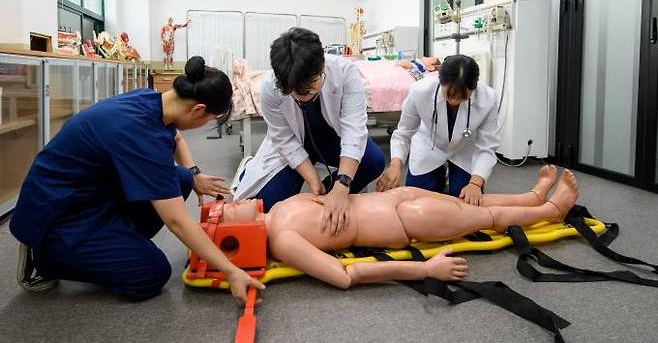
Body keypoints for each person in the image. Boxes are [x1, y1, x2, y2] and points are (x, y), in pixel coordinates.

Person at [10, 56, 264, 302]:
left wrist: (194, 175)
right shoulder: (142, 136)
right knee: (151, 274)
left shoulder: (153, 100)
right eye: (208, 119)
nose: (206, 122)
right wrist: (231, 272)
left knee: (182, 179)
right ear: (198, 109)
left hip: (89, 195)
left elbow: (175, 137)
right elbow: (176, 220)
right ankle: (45, 259)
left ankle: (115, 245)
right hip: (58, 216)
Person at [224, 166, 577, 288]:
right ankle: (551, 211)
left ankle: (531, 197)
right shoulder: (284, 240)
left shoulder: (279, 207)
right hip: (404, 221)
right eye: (224, 214)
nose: (227, 204)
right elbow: (346, 275)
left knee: (466, 201)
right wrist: (426, 268)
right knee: (486, 220)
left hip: (398, 197)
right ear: (236, 236)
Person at [235, 27, 386, 235]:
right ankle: (249, 170)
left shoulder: (345, 73)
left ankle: (327, 196)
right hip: (295, 144)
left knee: (374, 161)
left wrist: (341, 186)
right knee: (265, 207)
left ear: (322, 65)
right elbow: (284, 139)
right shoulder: (270, 88)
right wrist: (312, 179)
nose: (304, 96)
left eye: (310, 86)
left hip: (334, 139)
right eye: (296, 91)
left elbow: (354, 131)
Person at [378, 54, 499, 206]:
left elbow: (487, 146)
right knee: (416, 202)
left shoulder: (488, 98)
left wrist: (475, 184)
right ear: (440, 81)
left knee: (467, 204)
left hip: (464, 149)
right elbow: (404, 132)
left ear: (474, 88)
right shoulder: (419, 91)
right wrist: (395, 166)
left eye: (462, 96)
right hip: (429, 145)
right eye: (450, 94)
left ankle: (534, 199)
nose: (455, 99)